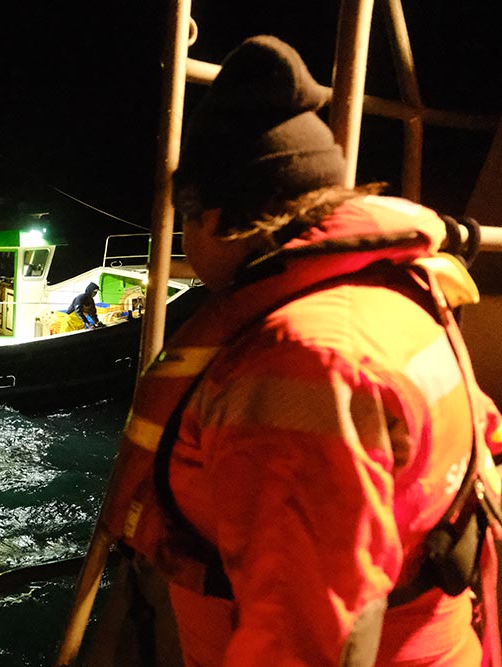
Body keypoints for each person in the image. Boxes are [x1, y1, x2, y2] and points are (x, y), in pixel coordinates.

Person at [87, 35, 502, 667]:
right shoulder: (389, 295)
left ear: (215, 216)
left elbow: (306, 632)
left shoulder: (298, 363)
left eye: (184, 212)